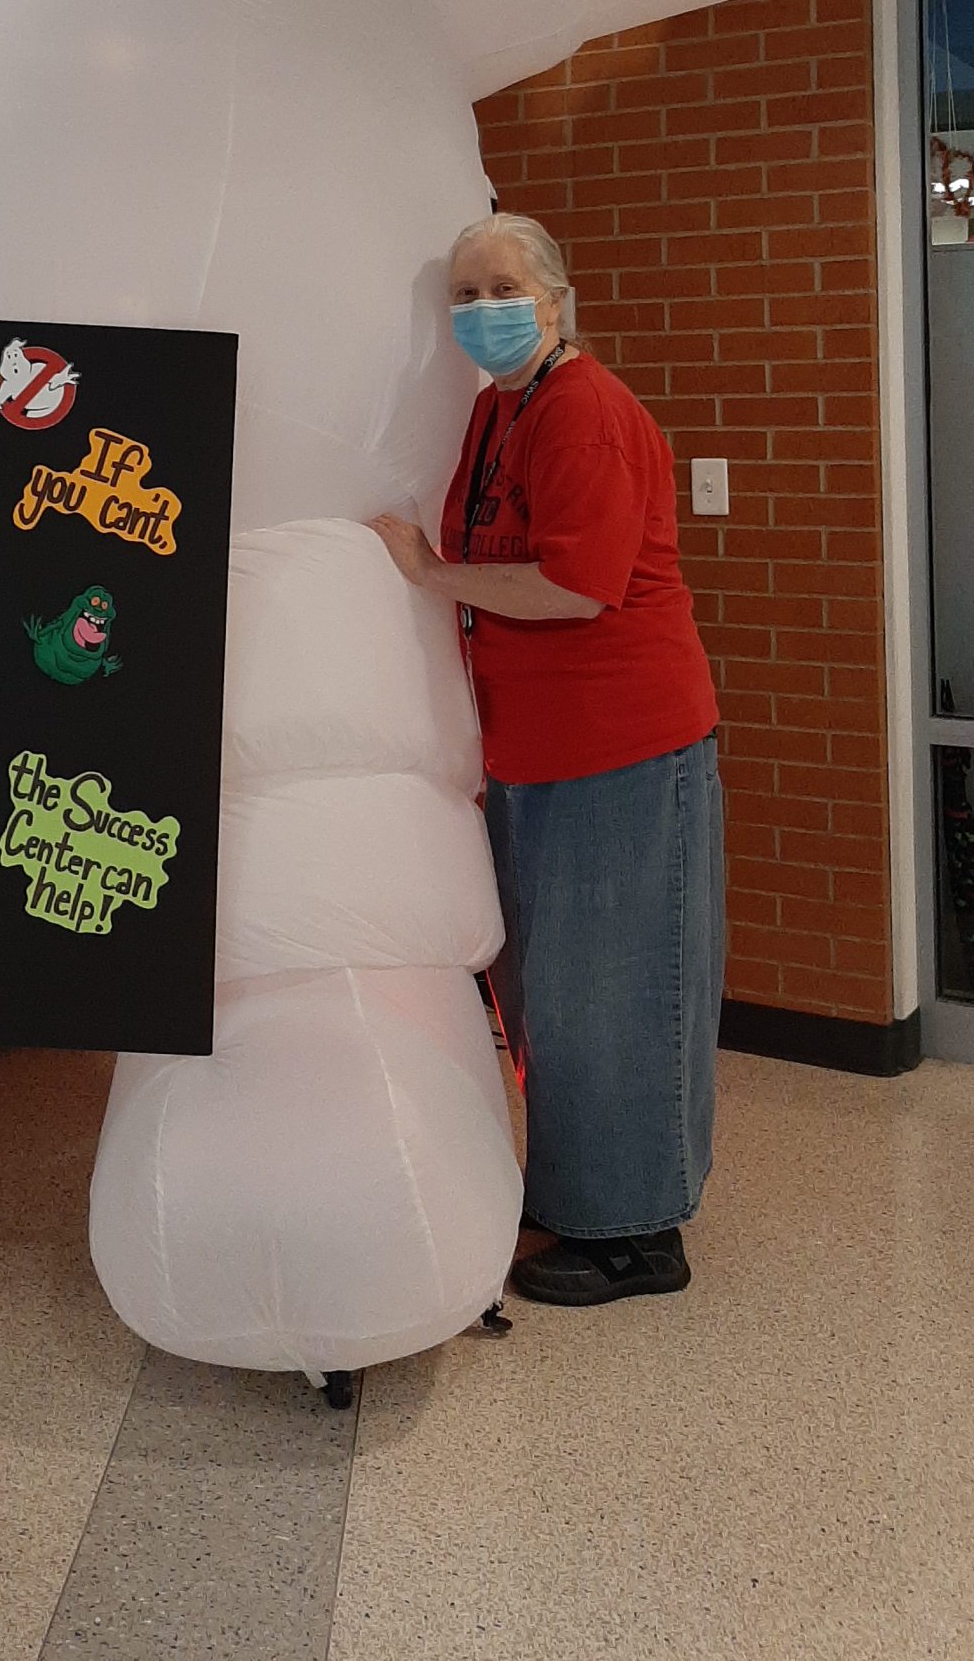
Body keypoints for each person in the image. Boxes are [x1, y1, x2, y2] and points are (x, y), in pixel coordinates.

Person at [369, 212, 723, 1307]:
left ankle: (637, 1235)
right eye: (465, 294)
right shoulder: (499, 410)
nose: (484, 310)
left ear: (557, 301)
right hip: (536, 750)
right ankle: (579, 1196)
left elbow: (575, 585)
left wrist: (427, 574)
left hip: (621, 746)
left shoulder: (585, 412)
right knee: (554, 996)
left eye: (504, 288)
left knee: (618, 989)